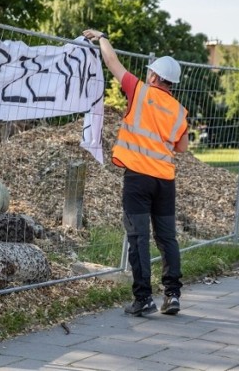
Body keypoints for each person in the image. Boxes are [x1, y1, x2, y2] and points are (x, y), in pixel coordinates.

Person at [82, 28, 189, 317]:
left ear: (153, 77)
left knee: (139, 237)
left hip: (137, 179)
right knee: (167, 238)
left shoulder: (139, 91)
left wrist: (102, 37)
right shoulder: (179, 110)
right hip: (165, 181)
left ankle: (143, 299)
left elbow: (112, 62)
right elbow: (181, 147)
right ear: (172, 84)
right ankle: (173, 295)